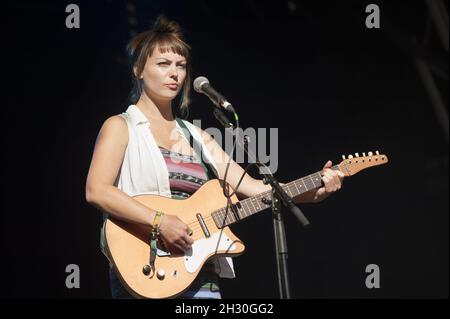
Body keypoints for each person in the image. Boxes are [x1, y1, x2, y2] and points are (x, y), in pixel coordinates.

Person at [85, 15, 344, 299]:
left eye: (181, 66)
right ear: (138, 69)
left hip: (201, 279)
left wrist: (313, 190)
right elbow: (97, 191)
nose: (175, 74)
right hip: (148, 270)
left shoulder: (199, 137)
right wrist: (160, 221)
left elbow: (257, 189)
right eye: (163, 64)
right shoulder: (121, 127)